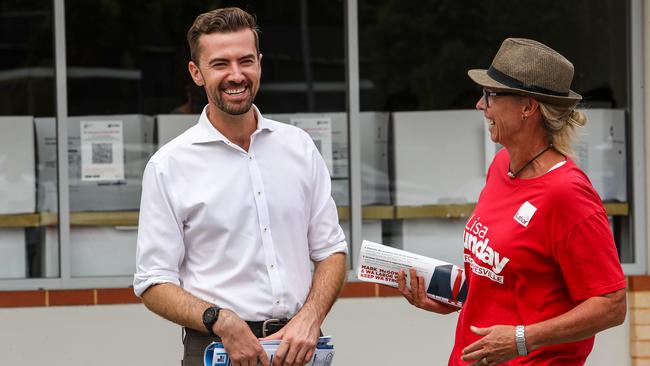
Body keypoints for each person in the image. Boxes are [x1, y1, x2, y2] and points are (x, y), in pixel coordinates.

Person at [133, 7, 348, 366]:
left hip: (299, 347)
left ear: (260, 64)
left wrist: (311, 318)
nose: (236, 75)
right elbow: (153, 283)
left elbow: (331, 251)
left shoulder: (298, 147)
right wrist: (220, 319)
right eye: (220, 64)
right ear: (196, 73)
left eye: (246, 60)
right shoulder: (169, 166)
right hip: (219, 348)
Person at [397, 38, 626, 365]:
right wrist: (448, 297)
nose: (480, 105)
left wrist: (522, 339)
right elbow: (501, 277)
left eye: (490, 95)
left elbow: (611, 305)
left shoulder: (567, 192)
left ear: (528, 108)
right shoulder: (501, 167)